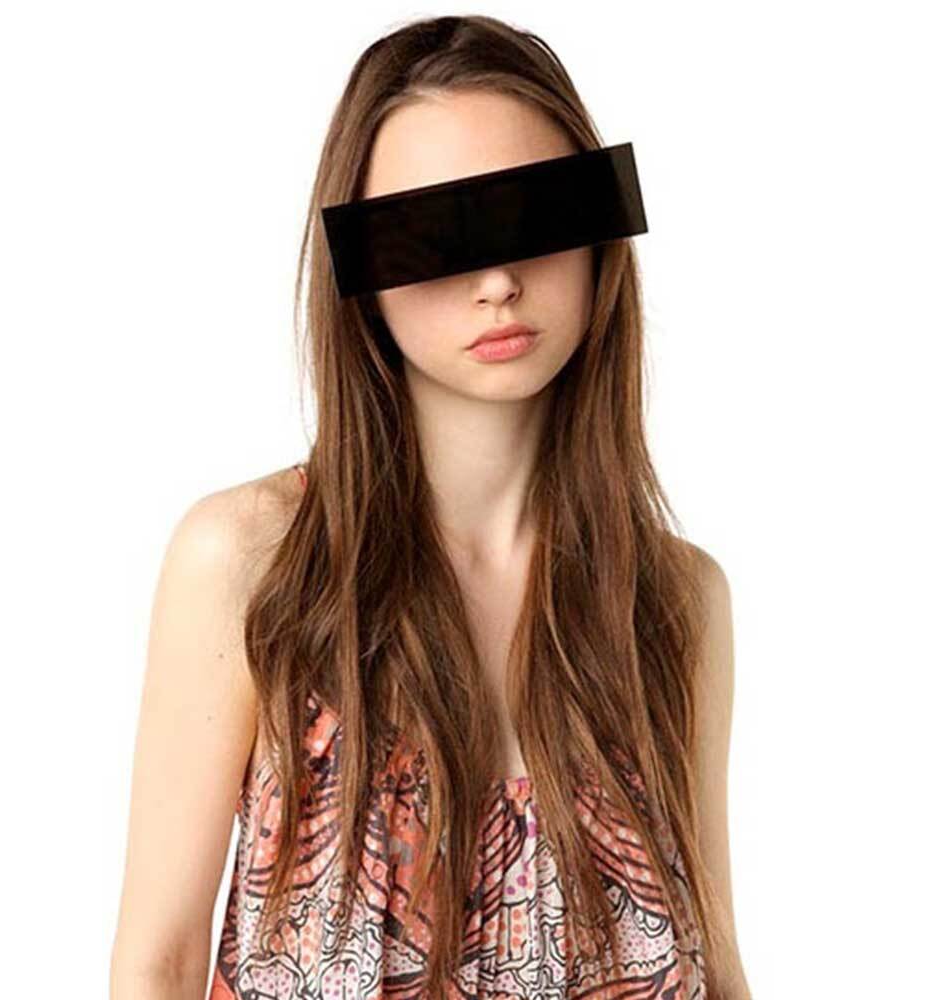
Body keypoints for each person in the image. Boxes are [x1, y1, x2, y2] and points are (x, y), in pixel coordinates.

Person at [110, 15, 752, 1000]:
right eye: (435, 235)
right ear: (363, 273)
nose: (497, 281)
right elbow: (155, 964)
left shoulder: (672, 601)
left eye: (536, 216)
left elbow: (718, 966)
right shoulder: (248, 562)